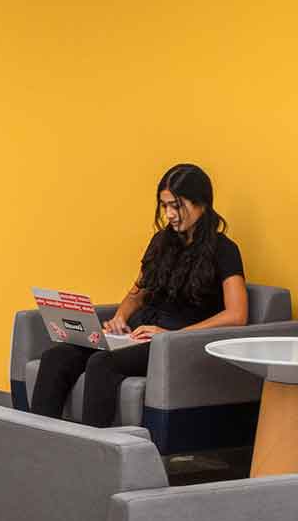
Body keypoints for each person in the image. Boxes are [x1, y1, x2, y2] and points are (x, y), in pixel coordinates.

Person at [28, 163, 248, 428]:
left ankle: (95, 456)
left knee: (102, 363)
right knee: (56, 357)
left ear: (201, 203)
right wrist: (119, 318)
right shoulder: (161, 242)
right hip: (139, 335)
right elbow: (136, 294)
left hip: (174, 343)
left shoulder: (224, 250)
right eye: (164, 206)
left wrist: (170, 335)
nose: (169, 214)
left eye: (176, 206)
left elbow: (237, 315)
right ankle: (39, 449)